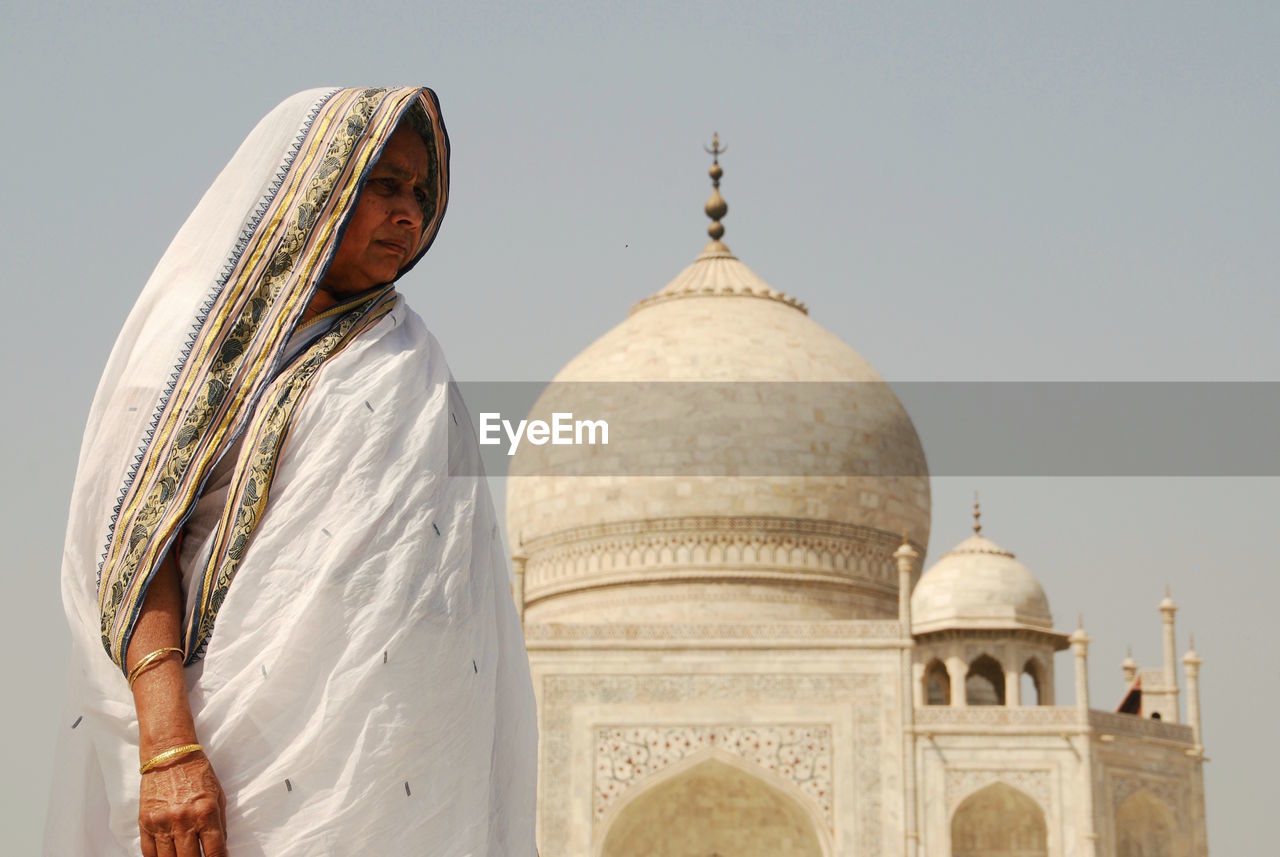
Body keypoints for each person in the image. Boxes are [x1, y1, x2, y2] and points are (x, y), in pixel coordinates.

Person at [46, 87, 537, 856]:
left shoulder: (406, 357)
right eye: (385, 185)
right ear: (323, 182)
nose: (409, 213)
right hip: (222, 767)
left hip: (389, 783)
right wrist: (169, 747)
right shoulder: (197, 340)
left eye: (421, 193)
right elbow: (136, 546)